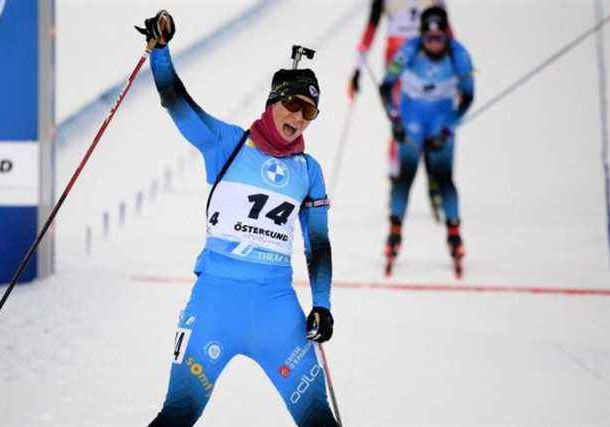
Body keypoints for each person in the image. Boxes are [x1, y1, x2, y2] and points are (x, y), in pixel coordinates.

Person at [136, 11, 339, 427]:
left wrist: (322, 305)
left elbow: (317, 243)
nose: (299, 117)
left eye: (310, 112)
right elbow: (177, 102)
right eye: (293, 104)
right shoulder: (227, 144)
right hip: (215, 305)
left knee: (318, 419)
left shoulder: (308, 170)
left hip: (277, 314)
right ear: (273, 101)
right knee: (177, 415)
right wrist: (160, 52)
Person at [377, 6, 474, 277]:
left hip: (440, 122)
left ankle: (454, 233)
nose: (434, 44)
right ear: (421, 36)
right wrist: (395, 120)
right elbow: (386, 87)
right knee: (404, 177)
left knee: (444, 178)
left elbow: (467, 98)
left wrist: (448, 129)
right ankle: (394, 232)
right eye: (429, 39)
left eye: (439, 38)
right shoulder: (408, 50)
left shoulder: (460, 55)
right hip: (411, 122)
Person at [348, 0, 449, 225]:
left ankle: (424, 177)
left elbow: (369, 32)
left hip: (414, 57)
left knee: (414, 119)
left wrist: (357, 69)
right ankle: (405, 179)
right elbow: (371, 26)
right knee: (407, 120)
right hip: (409, 59)